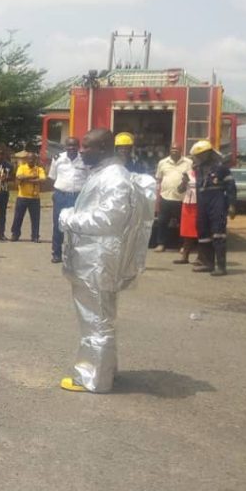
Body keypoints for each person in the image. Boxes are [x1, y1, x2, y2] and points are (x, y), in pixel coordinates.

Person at [58, 128, 155, 393]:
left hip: (97, 261)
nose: (82, 150)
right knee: (101, 318)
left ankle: (93, 378)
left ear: (103, 148)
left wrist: (68, 218)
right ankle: (105, 370)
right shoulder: (105, 173)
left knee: (96, 320)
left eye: (87, 146)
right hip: (94, 258)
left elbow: (109, 220)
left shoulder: (114, 177)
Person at [189, 140, 237, 277]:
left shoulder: (221, 168)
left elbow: (231, 187)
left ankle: (221, 267)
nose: (200, 157)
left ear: (209, 153)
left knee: (218, 234)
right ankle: (207, 264)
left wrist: (232, 205)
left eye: (202, 154)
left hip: (217, 202)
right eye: (198, 155)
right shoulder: (198, 169)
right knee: (203, 232)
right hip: (202, 202)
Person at [48, 137, 89, 263]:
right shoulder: (57, 159)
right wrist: (56, 194)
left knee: (77, 226)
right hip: (61, 196)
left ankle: (75, 255)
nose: (72, 148)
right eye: (69, 146)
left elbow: (90, 178)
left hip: (78, 197)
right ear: (65, 147)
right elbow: (52, 177)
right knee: (58, 225)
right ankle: (56, 253)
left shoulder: (85, 159)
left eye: (74, 146)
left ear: (78, 146)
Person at [154, 143, 192, 252]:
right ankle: (161, 244)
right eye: (172, 148)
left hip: (182, 198)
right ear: (169, 150)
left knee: (183, 223)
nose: (174, 150)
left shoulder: (188, 163)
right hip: (165, 197)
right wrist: (157, 197)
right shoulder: (163, 163)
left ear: (181, 150)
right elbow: (158, 179)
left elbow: (192, 178)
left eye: (177, 149)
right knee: (162, 222)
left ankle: (183, 246)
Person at [11, 152, 46, 242]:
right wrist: (32, 177)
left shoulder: (39, 169)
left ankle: (35, 236)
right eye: (29, 159)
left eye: (33, 159)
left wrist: (26, 179)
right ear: (26, 160)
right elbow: (19, 177)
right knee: (18, 217)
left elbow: (42, 179)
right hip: (22, 196)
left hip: (34, 198)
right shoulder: (21, 167)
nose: (31, 160)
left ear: (35, 160)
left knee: (35, 218)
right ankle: (15, 234)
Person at [174, 165, 198, 265]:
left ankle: (201, 258)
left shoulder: (205, 173)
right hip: (188, 205)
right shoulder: (187, 173)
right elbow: (180, 190)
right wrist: (184, 182)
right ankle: (185, 257)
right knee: (187, 232)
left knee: (200, 231)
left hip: (200, 204)